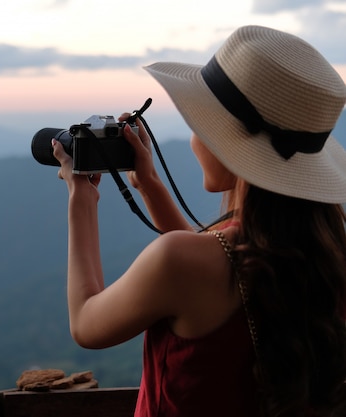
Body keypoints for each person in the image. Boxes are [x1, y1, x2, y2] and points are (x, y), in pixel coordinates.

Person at [51, 25, 346, 417]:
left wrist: (81, 198)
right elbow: (214, 268)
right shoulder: (328, 250)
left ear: (228, 144)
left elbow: (86, 323)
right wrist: (150, 186)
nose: (194, 138)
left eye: (200, 126)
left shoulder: (183, 262)